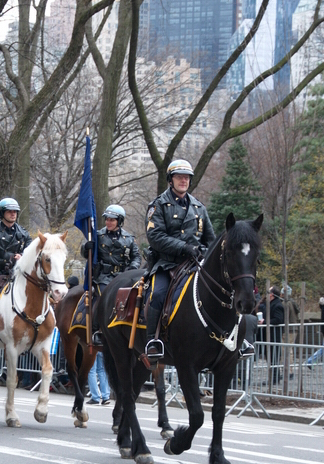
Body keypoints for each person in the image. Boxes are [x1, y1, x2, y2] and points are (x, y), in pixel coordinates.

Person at [145, 158, 244, 362]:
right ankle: (153, 342)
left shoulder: (199, 208)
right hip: (168, 264)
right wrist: (184, 247)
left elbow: (211, 239)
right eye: (179, 177)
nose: (183, 180)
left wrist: (206, 252)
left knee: (227, 290)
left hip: (196, 264)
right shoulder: (158, 205)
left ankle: (238, 338)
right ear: (170, 180)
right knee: (157, 294)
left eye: (187, 177)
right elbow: (155, 237)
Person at [83, 204, 142, 348]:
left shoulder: (129, 239)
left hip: (123, 276)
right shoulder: (97, 235)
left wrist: (133, 268)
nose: (108, 222)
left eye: (112, 220)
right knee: (104, 297)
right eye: (107, 219)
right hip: (103, 276)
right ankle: (97, 329)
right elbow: (86, 254)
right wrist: (87, 247)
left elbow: (137, 257)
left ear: (119, 221)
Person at [0, 197, 30, 338]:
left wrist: (22, 256)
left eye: (15, 211)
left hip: (16, 274)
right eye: (9, 211)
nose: (13, 214)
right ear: (2, 213)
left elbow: (31, 251)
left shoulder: (24, 233)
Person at [257, 287, 289, 385]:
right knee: (270, 358)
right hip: (268, 335)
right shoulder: (270, 304)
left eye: (268, 292)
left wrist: (265, 322)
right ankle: (273, 378)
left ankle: (274, 379)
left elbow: (278, 319)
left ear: (272, 294)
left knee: (273, 358)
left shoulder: (278, 305)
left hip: (273, 336)